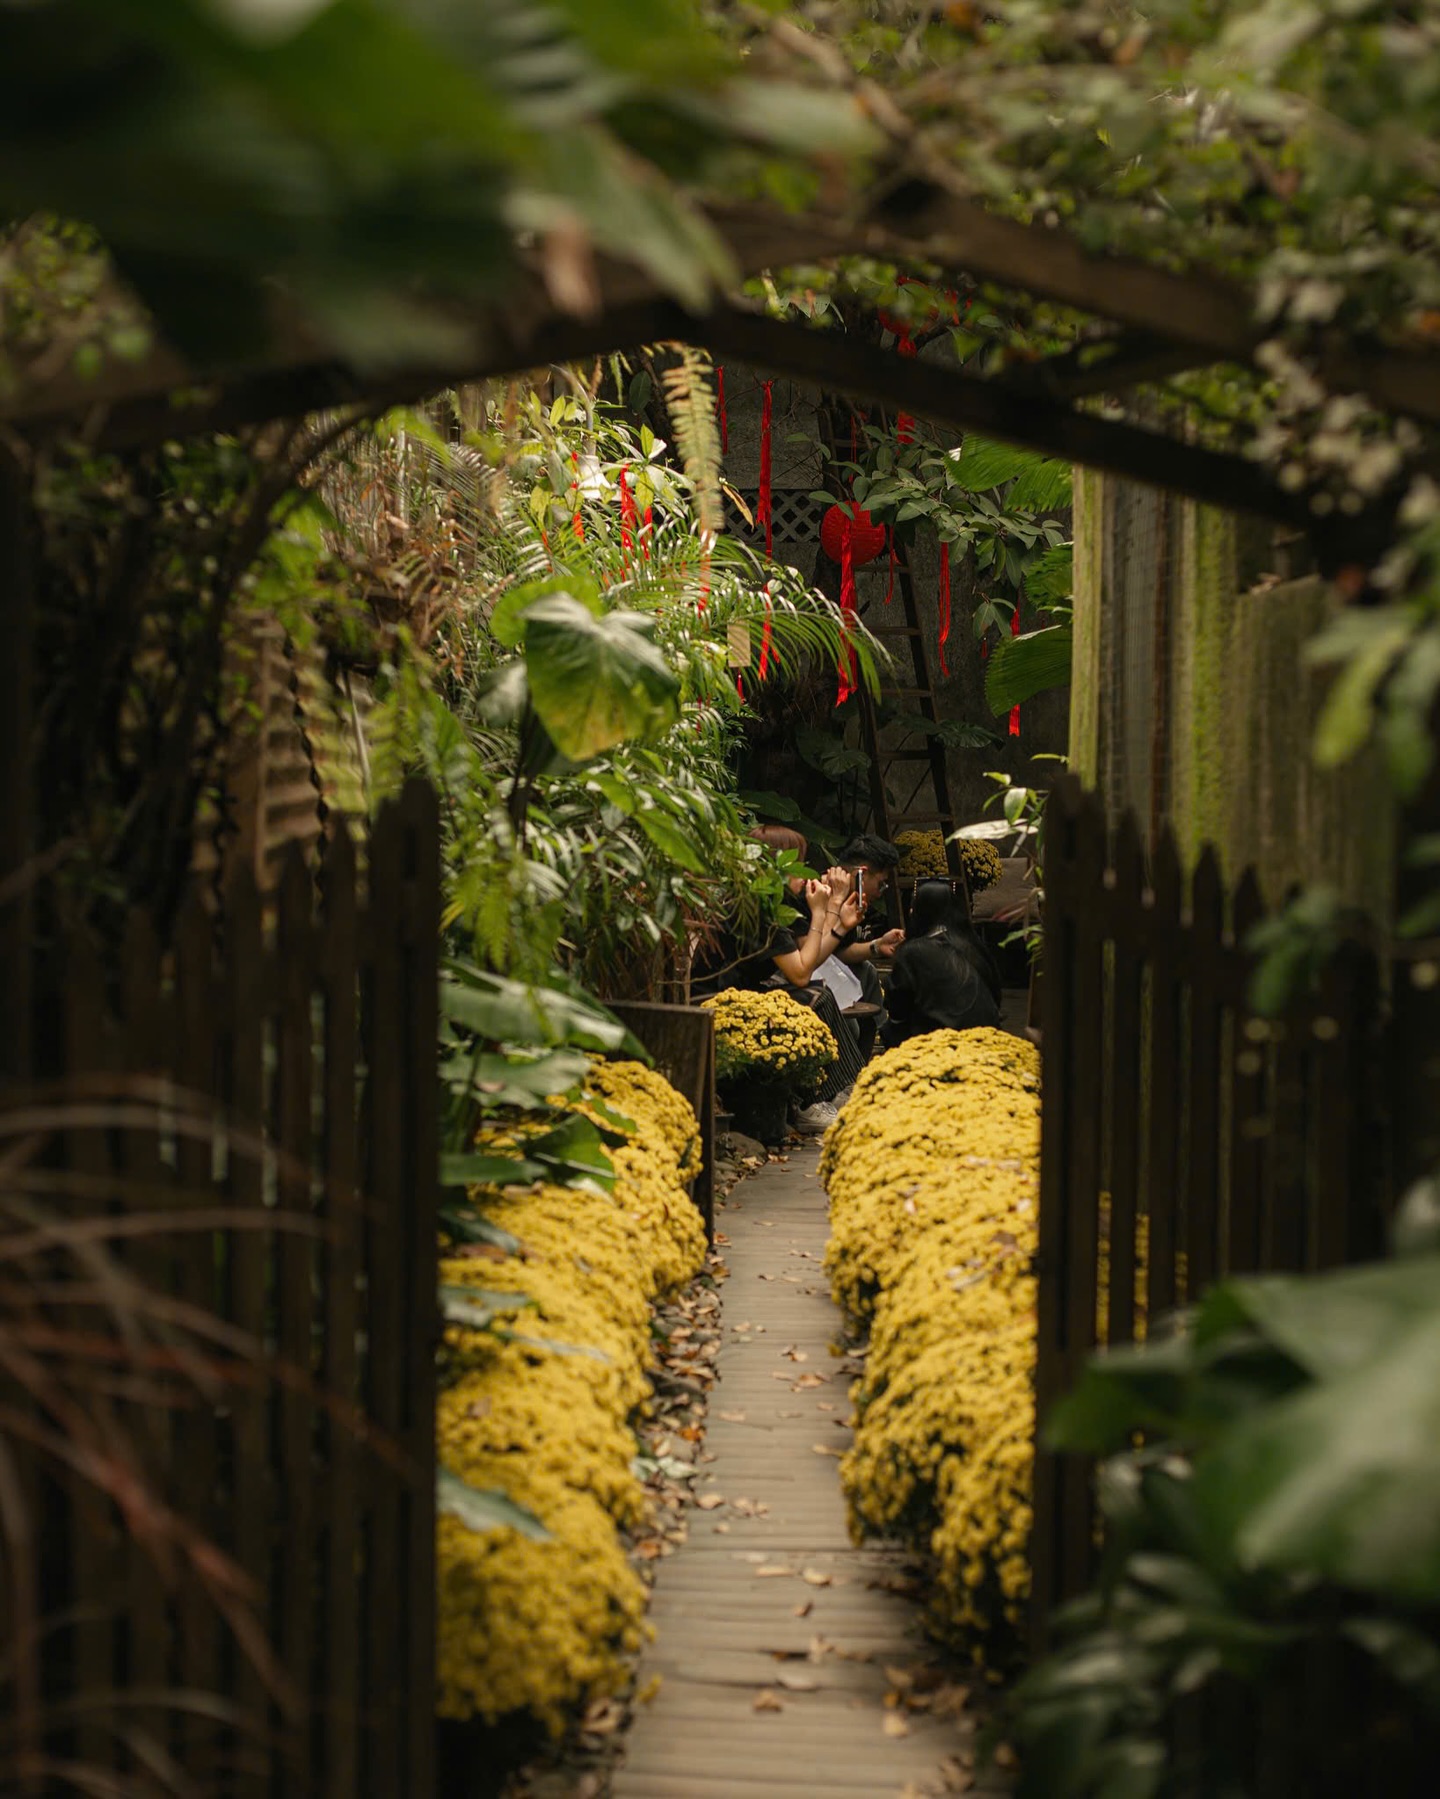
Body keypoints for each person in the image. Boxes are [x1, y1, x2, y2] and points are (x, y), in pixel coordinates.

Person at [690, 826, 868, 1129]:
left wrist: (837, 922)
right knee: (814, 996)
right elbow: (800, 973)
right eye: (795, 863)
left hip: (744, 992)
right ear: (774, 866)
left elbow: (807, 961)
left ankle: (841, 1091)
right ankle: (810, 1104)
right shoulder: (760, 905)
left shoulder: (772, 901)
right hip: (714, 1002)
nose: (803, 872)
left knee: (816, 991)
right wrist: (821, 912)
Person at [881, 878, 1002, 1046]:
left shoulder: (914, 951)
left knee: (889, 1030)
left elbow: (897, 1008)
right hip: (988, 1038)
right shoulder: (973, 945)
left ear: (917, 912)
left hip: (941, 1043)